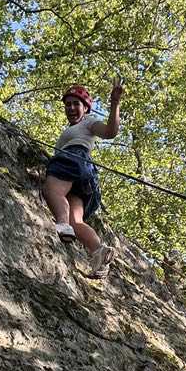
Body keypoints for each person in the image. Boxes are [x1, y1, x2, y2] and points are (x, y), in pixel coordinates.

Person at [43, 78, 124, 278]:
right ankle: (98, 251)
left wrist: (114, 103)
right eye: (67, 104)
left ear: (86, 108)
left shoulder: (88, 122)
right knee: (75, 220)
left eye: (76, 104)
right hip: (83, 175)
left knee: (52, 190)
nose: (71, 107)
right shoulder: (73, 128)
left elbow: (110, 132)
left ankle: (62, 224)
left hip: (73, 160)